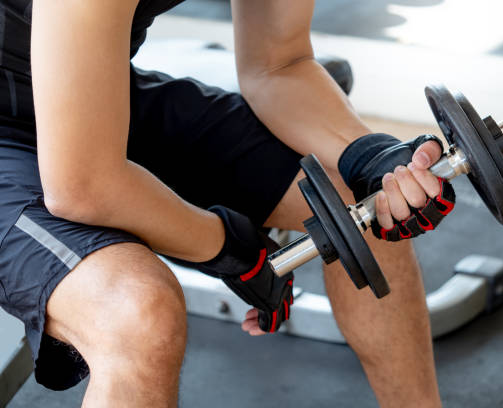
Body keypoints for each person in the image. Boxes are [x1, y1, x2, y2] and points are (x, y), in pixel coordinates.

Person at [0, 0, 455, 406]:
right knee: (138, 313)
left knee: (364, 203)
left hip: (77, 82)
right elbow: (85, 186)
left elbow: (280, 63)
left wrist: (367, 154)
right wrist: (230, 249)